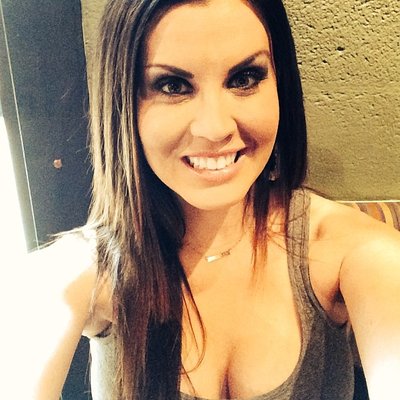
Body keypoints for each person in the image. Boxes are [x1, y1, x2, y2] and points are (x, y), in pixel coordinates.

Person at [3, 0, 400, 399]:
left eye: (244, 78)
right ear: (124, 104)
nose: (215, 128)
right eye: (173, 86)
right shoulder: (79, 275)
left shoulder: (353, 253)